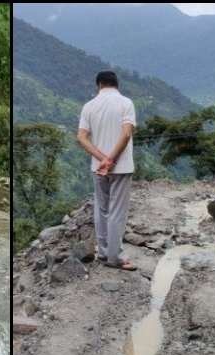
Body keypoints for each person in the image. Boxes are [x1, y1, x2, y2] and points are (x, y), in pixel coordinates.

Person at [76, 70, 138, 271]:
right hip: (121, 167)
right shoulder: (125, 103)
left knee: (101, 210)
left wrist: (102, 159)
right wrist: (111, 159)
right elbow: (127, 133)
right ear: (116, 84)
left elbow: (82, 137)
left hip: (98, 167)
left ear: (99, 85)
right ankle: (115, 257)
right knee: (117, 212)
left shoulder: (89, 106)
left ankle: (102, 253)